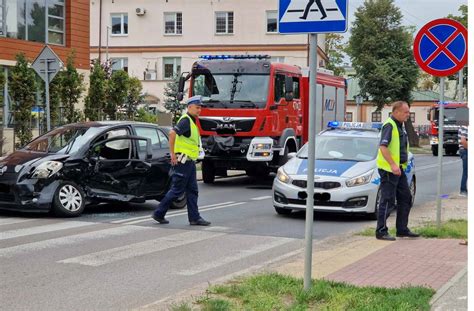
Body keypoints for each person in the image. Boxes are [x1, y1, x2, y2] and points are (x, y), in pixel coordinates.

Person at [152, 95, 211, 226]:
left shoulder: (192, 120)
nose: (199, 110)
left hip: (189, 161)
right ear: (189, 107)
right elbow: (172, 133)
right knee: (177, 190)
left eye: (200, 108)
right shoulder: (185, 121)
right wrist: (172, 153)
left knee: (192, 190)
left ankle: (194, 218)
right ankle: (159, 213)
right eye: (197, 108)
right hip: (183, 160)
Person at [375, 101, 419, 241]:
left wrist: (399, 166)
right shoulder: (390, 125)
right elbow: (383, 147)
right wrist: (393, 165)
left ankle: (402, 229)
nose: (408, 115)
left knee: (405, 198)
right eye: (406, 112)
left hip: (398, 169)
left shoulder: (400, 126)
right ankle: (381, 231)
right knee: (387, 200)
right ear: (397, 112)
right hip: (389, 170)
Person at [458, 125, 468, 197]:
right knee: (466, 171)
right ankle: (463, 190)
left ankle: (464, 190)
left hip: (465, 150)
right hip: (465, 150)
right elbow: (463, 141)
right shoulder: (465, 127)